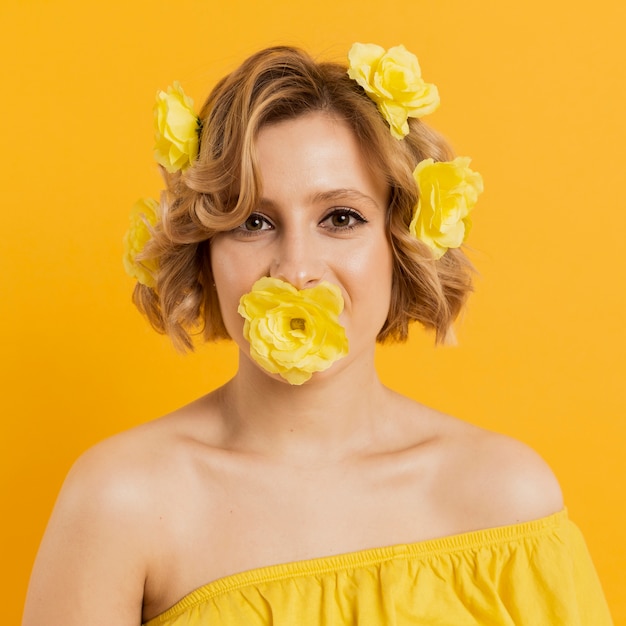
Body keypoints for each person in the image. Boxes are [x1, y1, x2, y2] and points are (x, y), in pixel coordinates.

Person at [23, 44, 612, 625]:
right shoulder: (120, 502)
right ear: (205, 252)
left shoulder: (507, 501)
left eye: (341, 218)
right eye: (253, 221)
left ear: (400, 244)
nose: (297, 268)